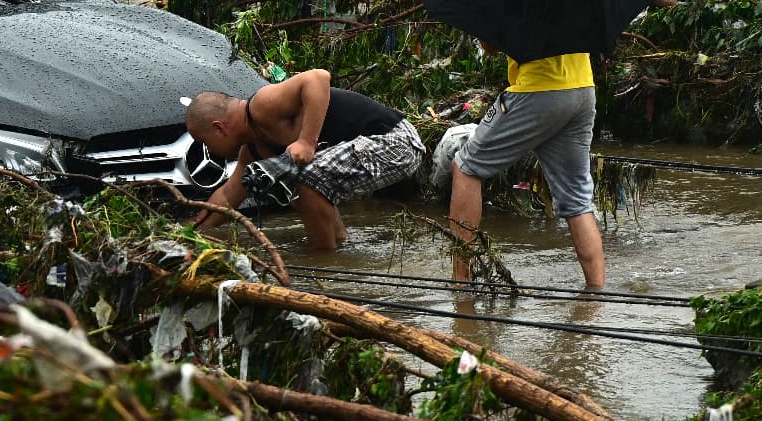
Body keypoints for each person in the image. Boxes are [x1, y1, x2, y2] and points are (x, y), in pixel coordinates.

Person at [184, 70, 423, 251]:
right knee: (302, 187)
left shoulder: (262, 106)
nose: (208, 150)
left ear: (219, 128)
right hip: (369, 152)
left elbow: (318, 77)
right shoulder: (255, 150)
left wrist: (307, 141)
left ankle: (325, 265)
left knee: (308, 180)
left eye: (204, 142)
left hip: (397, 142)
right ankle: (340, 247)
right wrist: (190, 233)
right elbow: (226, 197)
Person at [449, 48, 603, 288]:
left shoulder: (520, 7)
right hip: (582, 89)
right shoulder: (572, 7)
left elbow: (491, 45)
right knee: (577, 200)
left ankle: (460, 281)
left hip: (538, 89)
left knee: (466, 166)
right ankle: (597, 294)